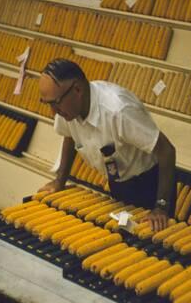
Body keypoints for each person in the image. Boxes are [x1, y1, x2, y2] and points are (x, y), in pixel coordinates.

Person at [37, 59, 176, 232]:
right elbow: (69, 136)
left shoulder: (119, 111)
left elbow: (167, 151)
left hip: (150, 185)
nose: (53, 111)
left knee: (151, 244)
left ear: (77, 89)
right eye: (48, 103)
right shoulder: (65, 107)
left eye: (55, 103)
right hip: (118, 184)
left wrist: (161, 206)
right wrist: (60, 180)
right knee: (124, 239)